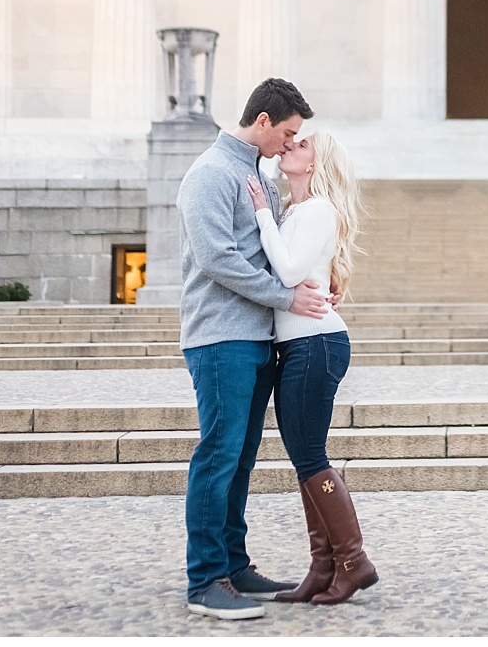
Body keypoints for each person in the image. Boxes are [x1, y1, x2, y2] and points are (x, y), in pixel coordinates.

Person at [176, 78, 334, 621]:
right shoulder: (210, 174)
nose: (288, 144)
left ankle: (234, 565)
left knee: (240, 459)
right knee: (218, 455)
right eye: (287, 132)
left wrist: (314, 284)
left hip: (256, 338)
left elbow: (274, 252)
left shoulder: (255, 174)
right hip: (220, 337)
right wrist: (287, 297)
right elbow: (218, 259)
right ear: (263, 121)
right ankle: (204, 581)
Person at [248, 121, 378, 605]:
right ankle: (323, 567)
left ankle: (353, 561)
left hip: (316, 344)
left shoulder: (318, 209)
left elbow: (288, 271)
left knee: (310, 458)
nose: (288, 147)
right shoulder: (298, 210)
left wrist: (262, 213)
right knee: (306, 458)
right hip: (301, 345)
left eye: (299, 144)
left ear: (316, 162)